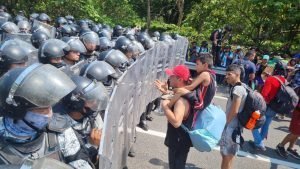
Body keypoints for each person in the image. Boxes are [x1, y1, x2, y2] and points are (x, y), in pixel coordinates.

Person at [0, 64, 94, 168]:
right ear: (16, 112)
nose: (50, 114)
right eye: (42, 110)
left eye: (50, 107)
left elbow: (81, 161)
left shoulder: (59, 130)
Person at [54, 75, 109, 166]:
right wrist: (93, 145)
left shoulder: (90, 116)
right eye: (91, 100)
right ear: (77, 103)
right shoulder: (62, 129)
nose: (95, 103)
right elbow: (76, 162)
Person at [156, 65, 194, 169]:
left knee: (176, 166)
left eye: (172, 76)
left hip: (179, 141)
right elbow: (173, 96)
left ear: (180, 79)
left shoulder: (181, 100)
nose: (169, 78)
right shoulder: (181, 93)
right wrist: (165, 92)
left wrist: (165, 106)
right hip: (180, 140)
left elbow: (176, 122)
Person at [250, 61, 287, 151]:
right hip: (276, 107)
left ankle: (259, 143)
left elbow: (264, 94)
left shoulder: (271, 79)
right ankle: (258, 142)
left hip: (266, 105)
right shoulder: (285, 81)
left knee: (253, 124)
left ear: (275, 69)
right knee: (266, 125)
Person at [220, 64, 247, 169]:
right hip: (237, 127)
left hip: (231, 127)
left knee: (226, 155)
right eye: (226, 74)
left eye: (229, 74)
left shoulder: (237, 89)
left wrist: (225, 124)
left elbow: (235, 110)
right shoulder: (243, 86)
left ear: (237, 74)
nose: (226, 76)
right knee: (230, 155)